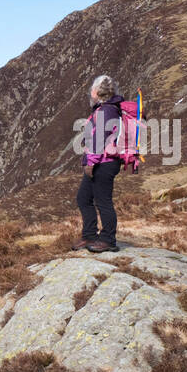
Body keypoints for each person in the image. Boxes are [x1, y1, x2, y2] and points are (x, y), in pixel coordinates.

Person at [74, 74, 122, 252]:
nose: (90, 92)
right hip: (101, 161)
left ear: (98, 91)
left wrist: (90, 163)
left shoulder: (105, 111)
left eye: (92, 89)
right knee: (84, 198)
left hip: (104, 163)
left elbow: (99, 139)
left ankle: (108, 240)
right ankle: (89, 236)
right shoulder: (104, 109)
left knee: (103, 201)